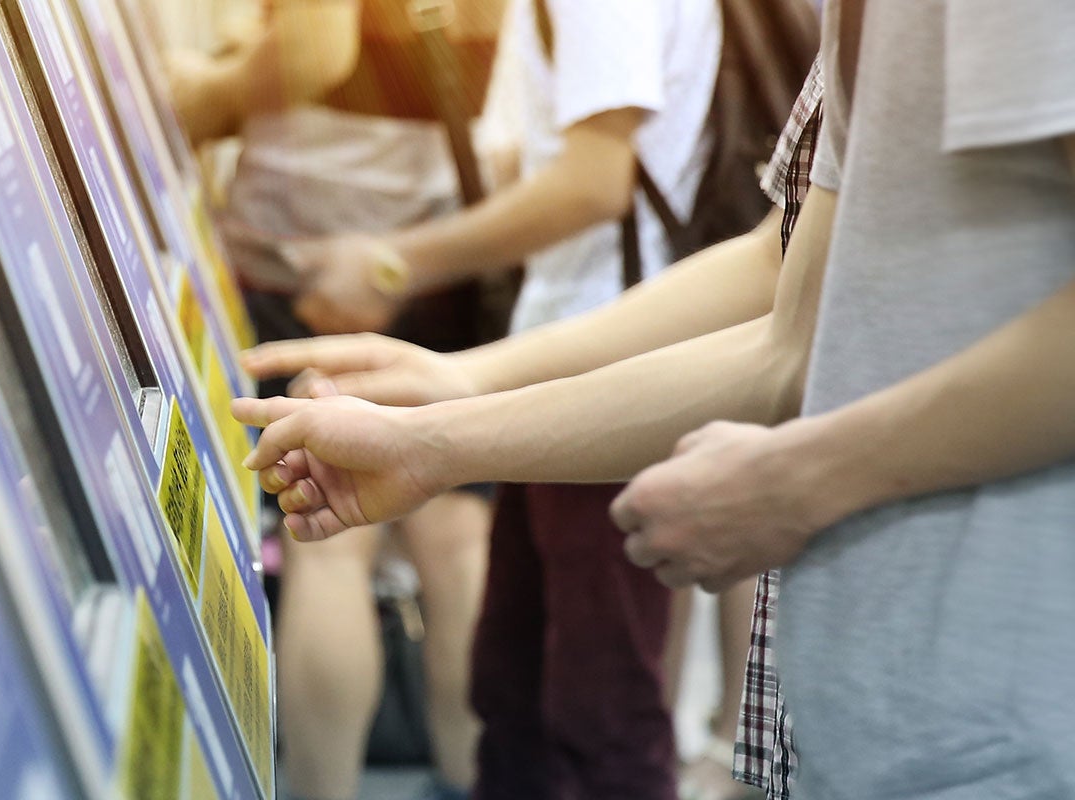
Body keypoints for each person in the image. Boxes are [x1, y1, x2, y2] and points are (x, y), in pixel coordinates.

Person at [234, 0, 1075, 792]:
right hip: (875, 697)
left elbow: (615, 197)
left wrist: (814, 474)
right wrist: (457, 406)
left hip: (1004, 708)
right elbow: (788, 306)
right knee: (530, 703)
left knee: (599, 716)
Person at [253, 0, 720, 797]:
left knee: (595, 707)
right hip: (566, 354)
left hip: (604, 368)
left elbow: (591, 185)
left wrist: (397, 264)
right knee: (517, 685)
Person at [167, 3, 505, 797]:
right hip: (436, 236)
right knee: (457, 542)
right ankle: (474, 776)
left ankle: (325, 789)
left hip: (315, 251)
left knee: (329, 540)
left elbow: (319, 47)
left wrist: (207, 90)